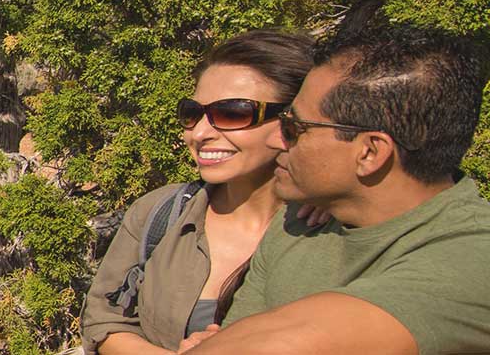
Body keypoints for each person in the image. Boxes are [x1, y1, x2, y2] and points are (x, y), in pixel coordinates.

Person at [183, 26, 490, 354]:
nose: (276, 140)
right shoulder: (297, 221)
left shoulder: (472, 258)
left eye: (294, 128)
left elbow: (274, 344)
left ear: (370, 152)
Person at [81, 30, 315, 353]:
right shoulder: (161, 213)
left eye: (232, 112)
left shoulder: (337, 233)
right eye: (193, 113)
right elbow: (104, 320)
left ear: (293, 120)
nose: (200, 133)